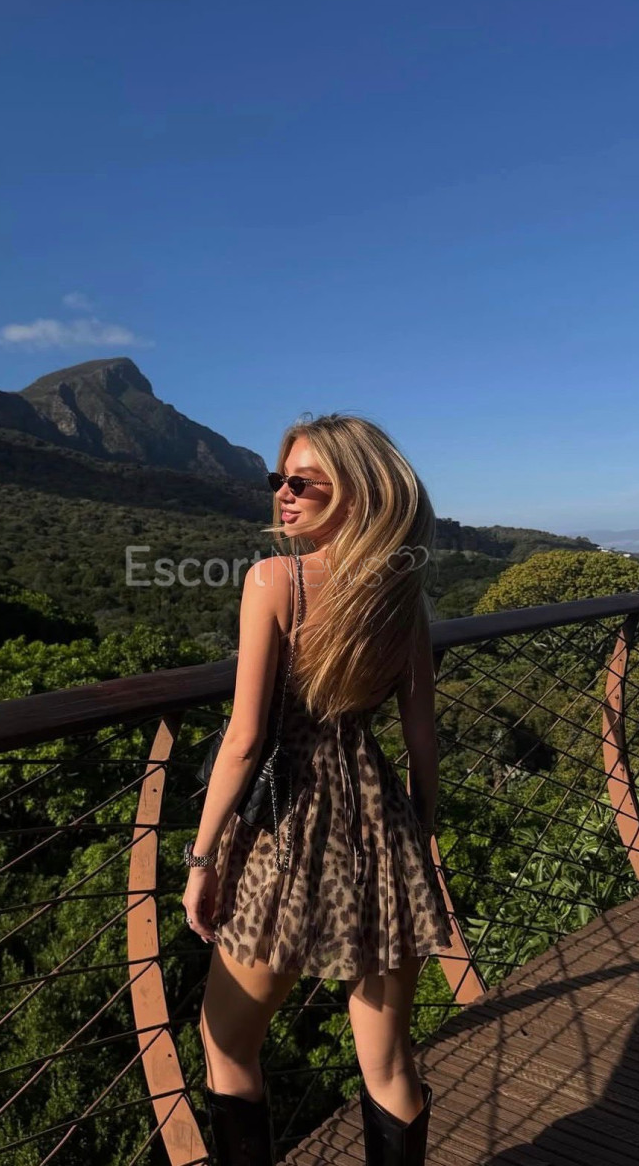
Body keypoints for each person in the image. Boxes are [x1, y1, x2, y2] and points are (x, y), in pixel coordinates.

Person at [182, 413, 453, 1166]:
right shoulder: (402, 597)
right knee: (388, 1066)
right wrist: (419, 835)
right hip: (381, 825)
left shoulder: (275, 581)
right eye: (280, 480)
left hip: (288, 832)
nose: (284, 494)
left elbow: (243, 741)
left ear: (356, 492)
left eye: (304, 483)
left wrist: (201, 861)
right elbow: (422, 740)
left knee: (226, 1042)